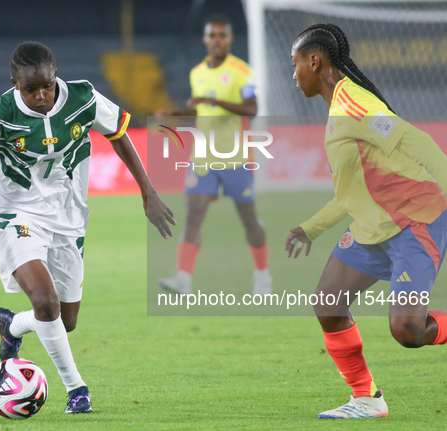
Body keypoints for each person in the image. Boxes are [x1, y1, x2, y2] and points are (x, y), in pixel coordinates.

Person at [0, 41, 175, 414]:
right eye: (30, 89)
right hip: (14, 215)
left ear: (56, 76)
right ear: (14, 83)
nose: (41, 96)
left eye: (47, 86)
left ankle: (12, 326)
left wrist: (147, 192)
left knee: (65, 320)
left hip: (69, 218)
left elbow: (119, 135)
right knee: (46, 301)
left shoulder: (83, 97)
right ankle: (77, 390)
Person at [287, 23, 447, 419]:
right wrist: (311, 228)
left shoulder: (353, 105)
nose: (293, 76)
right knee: (328, 302)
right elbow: (349, 195)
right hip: (374, 226)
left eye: (295, 65)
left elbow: (421, 143)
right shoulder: (339, 109)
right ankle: (368, 399)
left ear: (314, 60)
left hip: (415, 220)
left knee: (408, 332)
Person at [157, 16, 271, 295]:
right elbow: (201, 112)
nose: (217, 40)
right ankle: (183, 279)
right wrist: (174, 115)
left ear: (230, 39)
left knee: (249, 219)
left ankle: (262, 275)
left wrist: (213, 101)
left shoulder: (241, 71)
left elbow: (252, 109)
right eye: (213, 35)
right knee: (193, 217)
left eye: (223, 35)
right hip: (203, 158)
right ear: (205, 39)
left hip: (235, 158)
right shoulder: (197, 72)